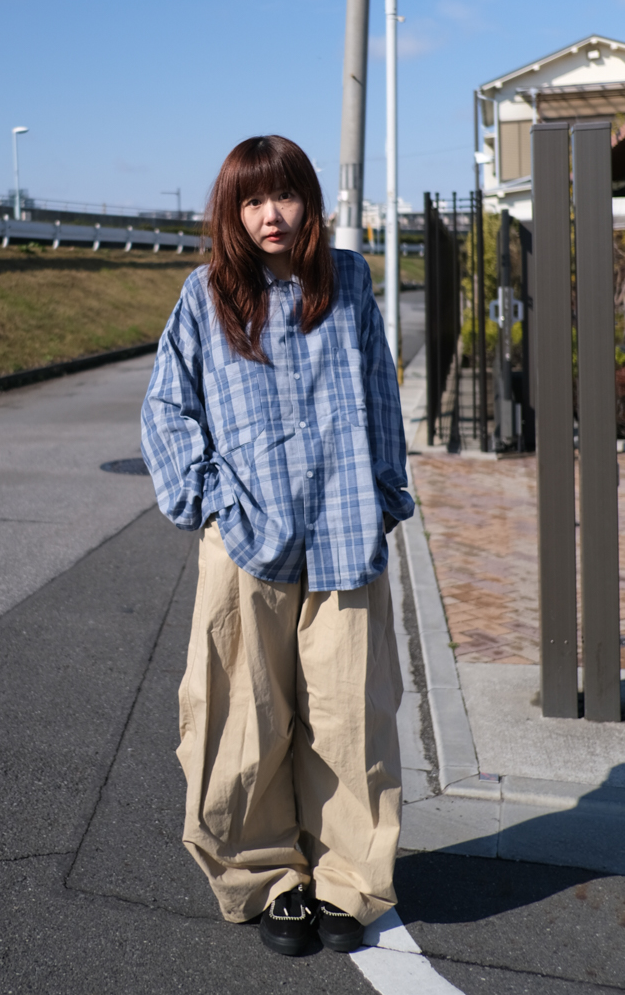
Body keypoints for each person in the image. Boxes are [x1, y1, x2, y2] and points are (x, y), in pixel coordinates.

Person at [141, 134, 414, 957]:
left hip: (343, 529)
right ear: (231, 211)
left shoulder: (348, 280)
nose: (271, 214)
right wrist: (209, 499)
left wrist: (385, 491)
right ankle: (265, 878)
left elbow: (379, 390)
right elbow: (166, 408)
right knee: (239, 718)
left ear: (308, 203)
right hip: (246, 539)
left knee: (350, 717)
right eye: (252, 199)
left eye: (284, 195)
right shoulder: (206, 294)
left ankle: (346, 880)